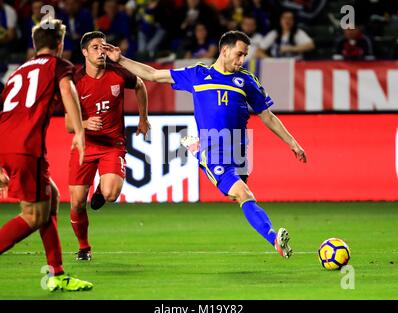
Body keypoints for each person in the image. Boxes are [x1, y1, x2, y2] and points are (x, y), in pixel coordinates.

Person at [102, 30, 307, 258]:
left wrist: (292, 142)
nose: (241, 61)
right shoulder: (197, 75)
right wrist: (120, 60)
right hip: (214, 150)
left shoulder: (247, 80)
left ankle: (195, 149)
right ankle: (274, 239)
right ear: (225, 50)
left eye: (245, 56)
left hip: (239, 149)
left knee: (238, 195)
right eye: (239, 55)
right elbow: (153, 75)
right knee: (243, 193)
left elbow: (267, 115)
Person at [0, 19, 93, 291]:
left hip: (7, 144)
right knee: (33, 216)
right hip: (26, 148)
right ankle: (56, 274)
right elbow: (67, 90)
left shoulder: (17, 73)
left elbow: (6, 113)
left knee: (50, 197)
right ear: (61, 44)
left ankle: (57, 273)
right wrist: (78, 130)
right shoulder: (58, 66)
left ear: (34, 44)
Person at [65, 31, 150, 261]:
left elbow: (141, 84)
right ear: (84, 52)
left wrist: (143, 118)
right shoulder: (75, 79)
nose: (101, 51)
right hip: (85, 145)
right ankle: (84, 247)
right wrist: (84, 123)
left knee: (111, 194)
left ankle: (101, 191)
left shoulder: (118, 73)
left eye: (103, 47)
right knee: (77, 202)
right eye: (95, 47)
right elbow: (68, 124)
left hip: (112, 145)